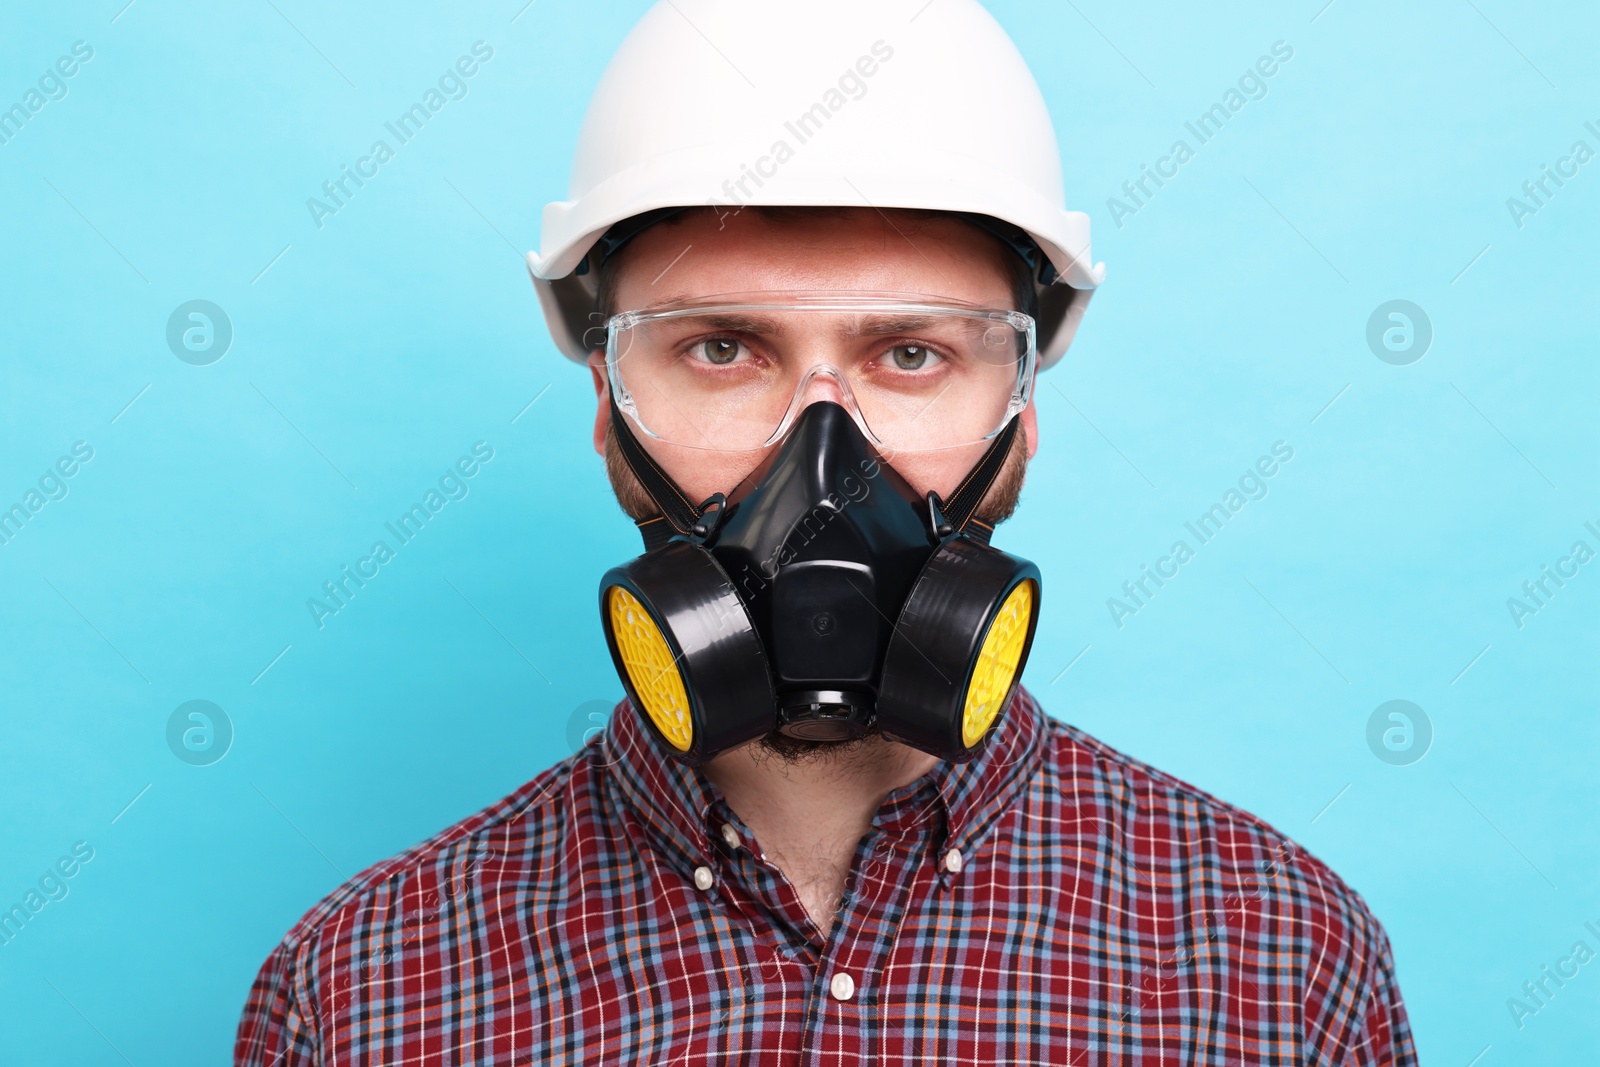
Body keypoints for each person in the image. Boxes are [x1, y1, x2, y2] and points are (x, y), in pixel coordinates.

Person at [237, 1, 1417, 1062]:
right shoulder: (362, 993)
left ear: (1024, 410)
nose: (823, 458)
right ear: (607, 408)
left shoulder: (1281, 964)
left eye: (911, 354)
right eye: (720, 347)